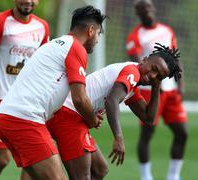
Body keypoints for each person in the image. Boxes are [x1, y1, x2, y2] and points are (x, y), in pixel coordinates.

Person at [0, 5, 107, 180]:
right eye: (99, 33)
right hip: (24, 119)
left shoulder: (55, 44)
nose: (98, 39)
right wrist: (92, 119)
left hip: (9, 117)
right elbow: (79, 99)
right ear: (91, 30)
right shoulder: (76, 48)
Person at [46, 43, 182, 180]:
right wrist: (118, 138)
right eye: (154, 68)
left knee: (100, 169)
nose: (153, 75)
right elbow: (112, 101)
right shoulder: (132, 72)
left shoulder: (132, 85)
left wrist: (156, 86)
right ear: (144, 59)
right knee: (82, 177)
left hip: (71, 116)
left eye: (159, 76)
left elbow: (149, 118)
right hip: (67, 115)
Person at [0, 0, 49, 179]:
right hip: (1, 100)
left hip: (28, 102)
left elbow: (42, 66)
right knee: (2, 159)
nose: (28, 1)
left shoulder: (42, 27)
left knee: (31, 159)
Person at [125, 1, 188, 180]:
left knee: (182, 132)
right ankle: (146, 177)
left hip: (171, 91)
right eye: (142, 8)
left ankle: (173, 176)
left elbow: (175, 57)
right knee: (147, 133)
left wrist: (180, 84)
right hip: (149, 91)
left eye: (149, 6)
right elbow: (141, 65)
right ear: (138, 13)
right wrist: (155, 85)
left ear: (154, 8)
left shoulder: (167, 30)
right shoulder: (134, 36)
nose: (147, 10)